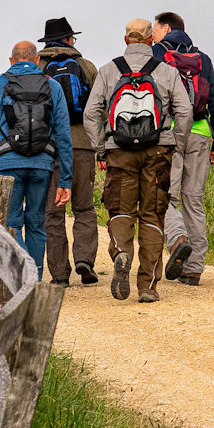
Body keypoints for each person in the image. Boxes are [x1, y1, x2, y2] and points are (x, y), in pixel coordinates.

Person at [84, 19, 191, 303]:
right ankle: (147, 286)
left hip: (119, 152)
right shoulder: (166, 71)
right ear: (150, 42)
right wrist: (175, 143)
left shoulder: (109, 71)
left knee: (120, 211)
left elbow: (91, 112)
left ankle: (121, 253)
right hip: (158, 152)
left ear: (125, 40)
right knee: (152, 215)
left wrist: (101, 148)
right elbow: (184, 111)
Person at [0, 40, 73, 277]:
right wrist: (65, 180)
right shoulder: (53, 87)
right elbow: (64, 135)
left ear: (11, 61)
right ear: (37, 60)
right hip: (42, 164)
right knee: (37, 223)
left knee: (12, 222)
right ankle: (35, 279)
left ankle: (22, 278)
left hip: (8, 163)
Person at [150, 11, 214, 286]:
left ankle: (178, 239)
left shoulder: (156, 54)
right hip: (200, 132)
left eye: (155, 29)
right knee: (193, 200)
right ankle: (193, 269)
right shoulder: (202, 58)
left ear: (166, 28)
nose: (153, 34)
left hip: (169, 133)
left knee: (166, 197)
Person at [37, 17, 100, 286]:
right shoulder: (86, 67)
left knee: (52, 213)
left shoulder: (37, 67)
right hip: (83, 146)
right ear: (69, 39)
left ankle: (60, 273)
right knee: (84, 208)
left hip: (50, 148)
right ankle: (85, 259)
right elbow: (99, 108)